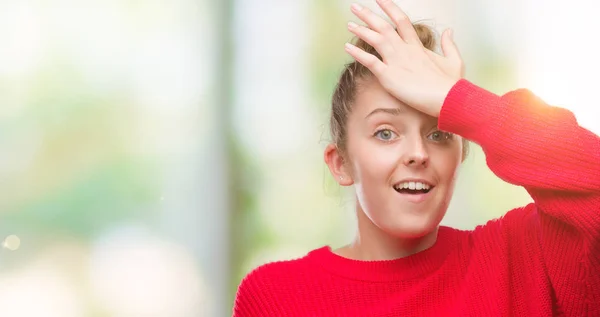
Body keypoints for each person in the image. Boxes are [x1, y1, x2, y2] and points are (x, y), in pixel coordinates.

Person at [232, 0, 600, 316]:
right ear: (340, 163)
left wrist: (460, 100)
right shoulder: (277, 296)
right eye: (385, 133)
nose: (418, 154)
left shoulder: (524, 256)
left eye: (439, 133)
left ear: (461, 153)